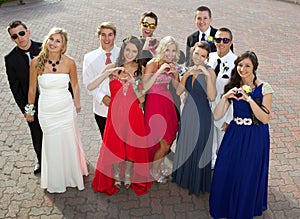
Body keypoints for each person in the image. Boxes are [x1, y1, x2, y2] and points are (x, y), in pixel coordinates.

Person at [209, 51, 274, 219]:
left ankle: (244, 208)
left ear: (254, 68)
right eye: (240, 65)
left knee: (247, 172)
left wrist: (249, 99)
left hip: (255, 135)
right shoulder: (233, 87)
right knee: (225, 167)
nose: (242, 69)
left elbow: (265, 118)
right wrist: (225, 97)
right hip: (235, 133)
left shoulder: (264, 88)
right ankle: (224, 205)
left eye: (247, 66)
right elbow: (216, 115)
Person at [27, 27, 88, 193]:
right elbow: (32, 89)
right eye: (51, 39)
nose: (53, 43)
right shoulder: (36, 62)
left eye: (57, 41)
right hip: (46, 110)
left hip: (65, 108)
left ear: (63, 45)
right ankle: (55, 179)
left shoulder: (70, 62)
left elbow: (74, 85)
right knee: (52, 142)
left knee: (67, 140)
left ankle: (71, 175)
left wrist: (77, 104)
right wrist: (29, 110)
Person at [91, 36, 152, 195]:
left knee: (132, 146)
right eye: (127, 50)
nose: (130, 54)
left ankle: (127, 174)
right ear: (123, 50)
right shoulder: (112, 67)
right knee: (115, 146)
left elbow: (142, 98)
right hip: (116, 114)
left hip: (134, 114)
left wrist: (134, 82)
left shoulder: (140, 70)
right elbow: (92, 85)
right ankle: (116, 174)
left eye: (134, 51)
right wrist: (107, 75)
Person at [172, 41, 216, 196]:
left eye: (203, 56)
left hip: (202, 114)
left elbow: (211, 96)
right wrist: (186, 75)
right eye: (197, 54)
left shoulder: (210, 72)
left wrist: (206, 75)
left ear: (207, 58)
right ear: (192, 53)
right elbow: (178, 92)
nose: (199, 58)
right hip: (188, 112)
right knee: (185, 143)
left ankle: (195, 182)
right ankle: (183, 178)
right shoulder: (189, 69)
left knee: (198, 146)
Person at [4, 20, 43, 174]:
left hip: (51, 99)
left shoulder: (44, 48)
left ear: (28, 31)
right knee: (36, 132)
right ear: (12, 39)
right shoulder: (10, 59)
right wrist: (27, 110)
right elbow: (15, 88)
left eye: (21, 33)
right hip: (31, 104)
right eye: (15, 36)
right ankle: (41, 160)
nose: (19, 38)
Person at [143, 36, 180, 184]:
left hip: (167, 103)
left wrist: (176, 75)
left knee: (169, 138)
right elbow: (144, 87)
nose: (170, 54)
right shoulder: (153, 63)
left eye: (173, 51)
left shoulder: (172, 65)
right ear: (162, 49)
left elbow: (178, 90)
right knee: (162, 142)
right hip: (155, 104)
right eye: (168, 50)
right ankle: (154, 170)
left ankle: (159, 163)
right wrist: (159, 72)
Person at [82, 22, 120, 138]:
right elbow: (87, 83)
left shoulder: (122, 54)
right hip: (102, 110)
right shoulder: (89, 57)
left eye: (110, 35)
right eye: (103, 35)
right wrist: (102, 97)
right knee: (107, 143)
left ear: (115, 36)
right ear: (98, 36)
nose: (107, 39)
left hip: (121, 108)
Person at [207, 27, 237, 169]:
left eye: (225, 40)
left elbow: (236, 93)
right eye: (218, 40)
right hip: (208, 105)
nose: (221, 43)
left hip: (224, 107)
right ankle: (211, 162)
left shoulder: (236, 62)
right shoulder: (210, 57)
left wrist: (229, 118)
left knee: (222, 142)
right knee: (209, 139)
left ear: (231, 42)